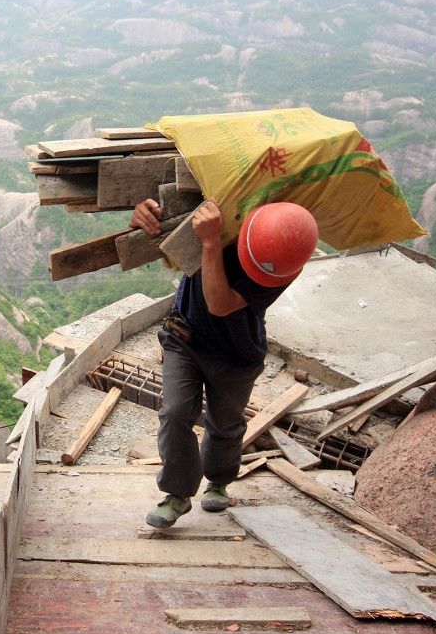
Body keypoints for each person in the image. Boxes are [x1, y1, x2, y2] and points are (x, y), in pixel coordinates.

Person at [130, 197, 318, 529]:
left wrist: (211, 241)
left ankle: (218, 479)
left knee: (225, 424)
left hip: (236, 354)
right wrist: (142, 218)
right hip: (185, 337)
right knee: (175, 413)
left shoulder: (280, 261)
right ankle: (177, 493)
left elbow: (219, 303)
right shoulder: (226, 209)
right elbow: (154, 240)